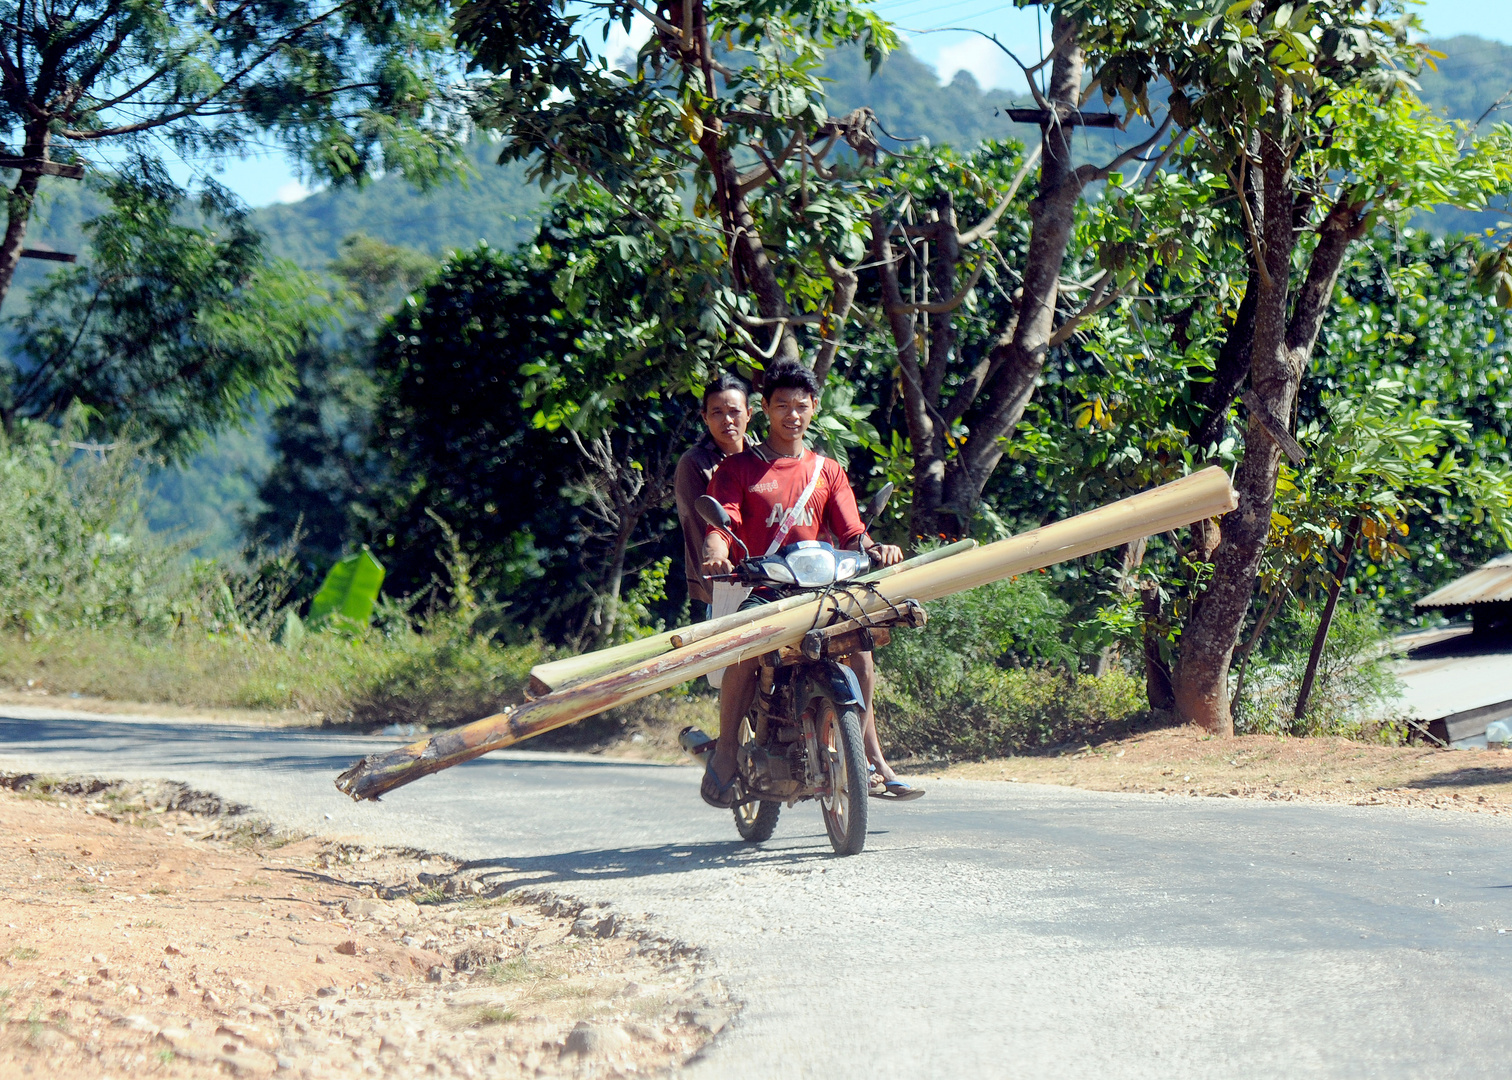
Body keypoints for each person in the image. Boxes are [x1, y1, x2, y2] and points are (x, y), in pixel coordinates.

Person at [699, 359, 924, 807]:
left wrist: (875, 548)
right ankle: (726, 751)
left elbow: (852, 531)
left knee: (861, 649)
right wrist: (716, 552)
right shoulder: (739, 469)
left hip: (821, 589)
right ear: (763, 408)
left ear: (814, 408)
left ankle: (865, 759)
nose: (792, 415)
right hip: (765, 587)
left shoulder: (828, 470)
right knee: (744, 651)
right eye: (781, 405)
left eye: (800, 406)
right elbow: (722, 524)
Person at [674, 373, 753, 619]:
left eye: (734, 411)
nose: (727, 420)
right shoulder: (694, 463)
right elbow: (699, 530)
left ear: (749, 413)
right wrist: (717, 579)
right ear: (705, 417)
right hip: (728, 584)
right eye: (717, 412)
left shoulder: (764, 458)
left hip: (773, 578)